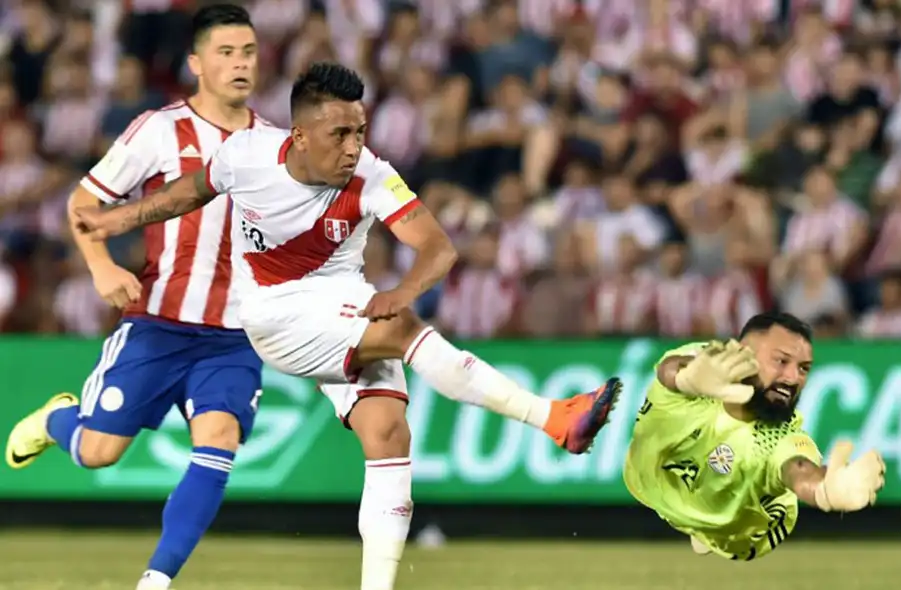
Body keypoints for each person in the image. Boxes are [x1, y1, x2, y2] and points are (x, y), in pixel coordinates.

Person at [72, 62, 622, 590]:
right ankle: (552, 418)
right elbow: (182, 196)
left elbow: (437, 246)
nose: (354, 145)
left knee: (388, 435)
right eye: (340, 133)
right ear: (301, 135)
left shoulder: (373, 174)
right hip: (274, 313)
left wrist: (403, 290)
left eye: (360, 130)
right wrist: (112, 220)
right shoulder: (245, 155)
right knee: (403, 331)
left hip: (347, 305)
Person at [4, 5, 267, 589]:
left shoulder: (276, 146)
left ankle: (157, 579)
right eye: (226, 53)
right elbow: (83, 203)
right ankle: (56, 420)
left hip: (232, 336)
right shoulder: (160, 129)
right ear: (197, 64)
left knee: (218, 439)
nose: (240, 63)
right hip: (158, 324)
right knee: (98, 452)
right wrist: (100, 267)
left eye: (247, 51)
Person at [624, 312, 885, 561]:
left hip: (739, 530)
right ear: (744, 354)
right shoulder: (705, 367)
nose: (793, 378)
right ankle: (702, 514)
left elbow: (800, 469)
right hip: (646, 480)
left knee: (731, 499)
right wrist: (686, 380)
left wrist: (826, 489)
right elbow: (670, 368)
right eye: (781, 361)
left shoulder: (780, 439)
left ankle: (707, 526)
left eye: (804, 368)